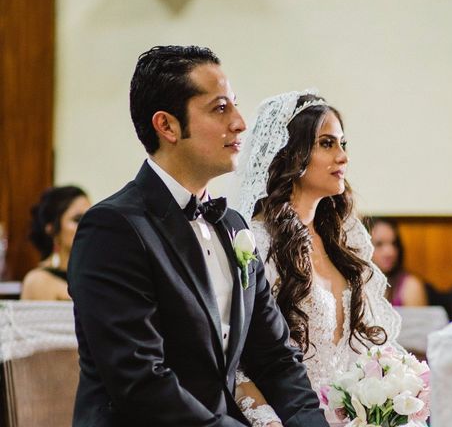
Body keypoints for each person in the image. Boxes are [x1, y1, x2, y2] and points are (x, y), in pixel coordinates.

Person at [67, 46, 327, 427]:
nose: (240, 123)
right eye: (220, 108)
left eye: (235, 106)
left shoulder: (233, 226)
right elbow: (140, 382)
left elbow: (275, 357)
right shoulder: (113, 229)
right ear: (167, 126)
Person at [233, 90, 402, 424]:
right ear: (290, 154)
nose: (342, 157)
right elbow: (238, 365)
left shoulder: (345, 242)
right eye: (327, 144)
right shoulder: (258, 245)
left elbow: (369, 348)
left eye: (343, 144)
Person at [22, 185, 90, 300]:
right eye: (77, 219)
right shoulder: (38, 280)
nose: (87, 226)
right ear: (52, 228)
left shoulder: (92, 276)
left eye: (90, 218)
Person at [367, 217, 428, 307]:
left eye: (394, 243)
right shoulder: (354, 285)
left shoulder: (410, 286)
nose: (390, 252)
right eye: (379, 244)